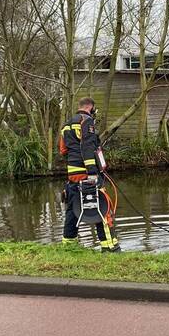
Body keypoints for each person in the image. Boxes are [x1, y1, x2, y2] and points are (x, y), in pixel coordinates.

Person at [59, 97, 120, 252]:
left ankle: (69, 245)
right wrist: (92, 172)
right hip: (87, 174)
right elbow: (87, 147)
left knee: (73, 208)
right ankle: (110, 246)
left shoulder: (66, 125)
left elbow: (63, 150)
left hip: (72, 175)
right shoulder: (87, 122)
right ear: (90, 107)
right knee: (102, 207)